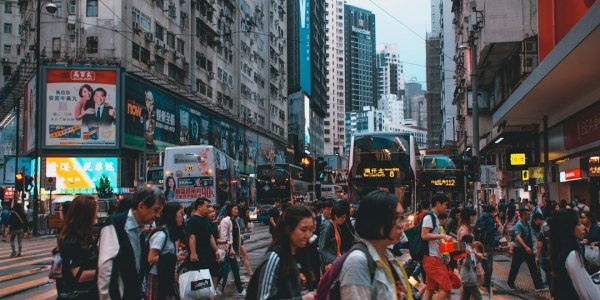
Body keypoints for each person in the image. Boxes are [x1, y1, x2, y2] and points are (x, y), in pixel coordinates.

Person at [339, 190, 412, 299]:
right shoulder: (357, 263)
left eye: (402, 217)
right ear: (378, 220)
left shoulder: (390, 259)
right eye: (397, 218)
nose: (402, 225)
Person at [97, 187, 165, 299]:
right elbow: (106, 270)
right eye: (156, 210)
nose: (157, 215)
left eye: (160, 211)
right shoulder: (114, 225)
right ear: (141, 206)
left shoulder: (141, 232)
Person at [250, 205, 316, 299]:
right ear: (288, 228)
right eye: (303, 230)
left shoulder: (301, 254)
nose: (308, 235)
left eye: (311, 230)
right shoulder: (274, 258)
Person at [549, 209, 600, 299]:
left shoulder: (558, 250)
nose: (583, 227)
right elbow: (591, 294)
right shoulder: (572, 255)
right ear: (568, 227)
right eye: (578, 224)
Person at [58, 195, 99, 299]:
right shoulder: (72, 240)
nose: (97, 215)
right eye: (95, 212)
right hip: (78, 295)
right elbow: (79, 275)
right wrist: (109, 271)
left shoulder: (86, 235)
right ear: (86, 215)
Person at [145, 202, 186, 300]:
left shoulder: (171, 233)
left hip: (167, 275)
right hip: (157, 277)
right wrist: (174, 258)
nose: (183, 217)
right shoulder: (161, 235)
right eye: (180, 214)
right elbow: (151, 258)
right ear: (172, 215)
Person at [421, 193, 453, 300]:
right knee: (446, 287)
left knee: (430, 288)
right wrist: (443, 235)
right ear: (438, 204)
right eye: (445, 205)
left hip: (433, 258)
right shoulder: (429, 217)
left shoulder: (434, 218)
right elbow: (424, 235)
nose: (446, 207)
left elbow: (435, 241)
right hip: (432, 259)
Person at [506, 208, 546, 291]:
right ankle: (510, 283)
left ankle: (539, 286)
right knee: (515, 267)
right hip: (519, 249)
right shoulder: (519, 224)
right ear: (523, 215)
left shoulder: (528, 223)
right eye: (527, 214)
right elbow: (518, 236)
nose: (529, 215)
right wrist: (526, 247)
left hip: (528, 249)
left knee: (533, 267)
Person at [186, 198, 221, 282]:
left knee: (210, 275)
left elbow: (210, 236)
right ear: (199, 207)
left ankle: (210, 294)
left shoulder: (206, 220)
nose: (209, 209)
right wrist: (193, 253)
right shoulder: (193, 220)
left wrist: (216, 250)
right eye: (207, 206)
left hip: (208, 253)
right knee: (200, 279)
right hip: (199, 255)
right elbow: (192, 237)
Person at [218, 203, 246, 295]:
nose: (236, 210)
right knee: (228, 270)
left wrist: (240, 237)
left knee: (229, 270)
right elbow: (223, 236)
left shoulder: (234, 221)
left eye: (237, 209)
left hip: (232, 249)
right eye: (234, 209)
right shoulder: (226, 221)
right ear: (230, 210)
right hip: (228, 250)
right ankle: (240, 290)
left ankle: (214, 286)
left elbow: (233, 234)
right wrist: (228, 249)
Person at [319, 205, 347, 270]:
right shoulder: (327, 227)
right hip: (331, 263)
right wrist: (330, 261)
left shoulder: (337, 227)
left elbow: (339, 247)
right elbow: (322, 248)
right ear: (336, 217)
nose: (344, 219)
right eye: (342, 217)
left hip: (337, 260)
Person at [459, 235, 483, 300]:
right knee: (478, 296)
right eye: (473, 241)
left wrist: (477, 256)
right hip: (469, 279)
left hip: (468, 278)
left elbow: (474, 263)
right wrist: (468, 256)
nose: (475, 242)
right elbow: (466, 263)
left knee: (465, 296)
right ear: (469, 243)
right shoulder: (466, 252)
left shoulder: (470, 250)